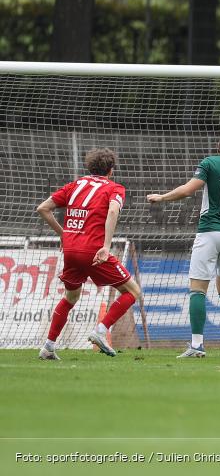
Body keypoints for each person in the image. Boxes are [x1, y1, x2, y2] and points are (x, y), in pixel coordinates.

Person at [147, 128, 220, 358]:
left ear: (219, 146)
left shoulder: (210, 163)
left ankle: (197, 345)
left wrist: (162, 197)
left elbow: (188, 190)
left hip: (210, 231)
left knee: (198, 289)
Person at [35, 148, 141, 360]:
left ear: (89, 167)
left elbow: (43, 208)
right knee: (133, 291)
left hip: (71, 251)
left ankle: (48, 347)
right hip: (93, 251)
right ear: (111, 170)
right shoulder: (115, 188)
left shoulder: (75, 185)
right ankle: (101, 331)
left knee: (71, 297)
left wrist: (64, 234)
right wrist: (106, 245)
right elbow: (113, 210)